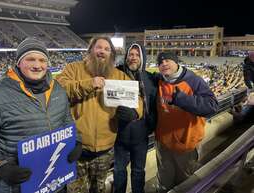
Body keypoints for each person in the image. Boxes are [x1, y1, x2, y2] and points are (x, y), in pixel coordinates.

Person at [0, 37, 81, 193]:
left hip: (56, 181)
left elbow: (66, 119)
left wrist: (76, 141)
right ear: (18, 62)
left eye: (42, 60)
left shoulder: (57, 89)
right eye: (30, 59)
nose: (37, 65)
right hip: (18, 186)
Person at [56, 36, 143, 193]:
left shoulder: (119, 75)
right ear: (91, 50)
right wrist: (90, 84)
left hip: (105, 150)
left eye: (107, 49)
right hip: (76, 149)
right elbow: (59, 91)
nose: (102, 51)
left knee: (100, 189)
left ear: (111, 55)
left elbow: (137, 99)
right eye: (99, 47)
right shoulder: (73, 69)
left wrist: (134, 112)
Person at [155, 51, 218, 193]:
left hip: (186, 145)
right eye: (160, 62)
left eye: (168, 60)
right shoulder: (159, 79)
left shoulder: (194, 80)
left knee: (184, 184)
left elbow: (212, 106)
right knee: (163, 182)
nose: (164, 64)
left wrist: (181, 99)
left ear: (176, 62)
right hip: (163, 144)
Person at [113, 43, 158, 193]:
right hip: (119, 136)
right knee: (119, 172)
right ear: (126, 57)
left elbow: (153, 106)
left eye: (137, 55)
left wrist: (149, 126)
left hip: (140, 137)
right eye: (131, 55)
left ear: (142, 58)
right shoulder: (116, 73)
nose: (133, 58)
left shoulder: (150, 79)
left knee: (138, 172)